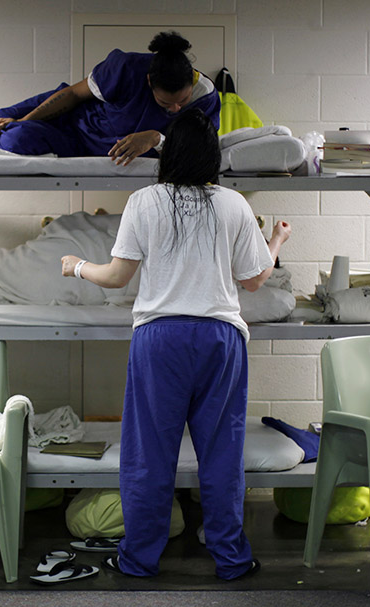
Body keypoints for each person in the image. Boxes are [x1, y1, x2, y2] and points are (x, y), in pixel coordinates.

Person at [60, 108, 291, 580]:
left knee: (149, 454)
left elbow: (116, 276)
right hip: (219, 339)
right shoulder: (233, 204)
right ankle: (232, 559)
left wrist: (76, 267)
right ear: (212, 157)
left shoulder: (145, 202)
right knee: (222, 454)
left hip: (160, 340)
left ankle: (139, 559)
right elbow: (254, 281)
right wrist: (276, 240)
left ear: (168, 156)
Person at [0, 31, 220, 165]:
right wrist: (21, 119)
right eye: (166, 104)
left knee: (15, 140)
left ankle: (11, 132)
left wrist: (155, 138)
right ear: (149, 81)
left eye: (182, 100)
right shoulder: (125, 69)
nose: (176, 109)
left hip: (76, 146)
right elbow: (74, 94)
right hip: (75, 117)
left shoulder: (204, 98)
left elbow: (196, 151)